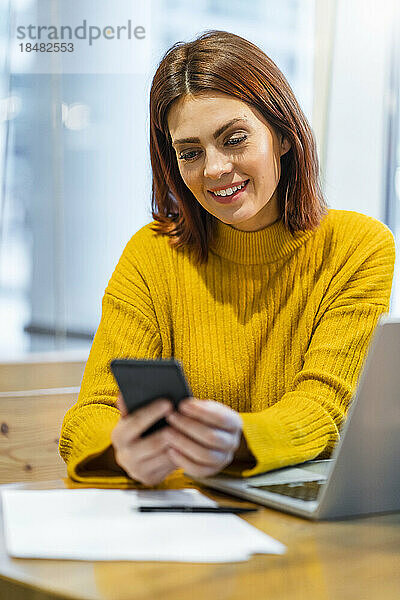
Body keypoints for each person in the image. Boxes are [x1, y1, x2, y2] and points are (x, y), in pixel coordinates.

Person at [59, 30, 395, 487]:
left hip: (292, 515)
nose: (214, 169)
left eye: (234, 139)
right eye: (190, 152)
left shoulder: (357, 246)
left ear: (281, 134)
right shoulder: (152, 253)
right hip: (179, 519)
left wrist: (241, 438)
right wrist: (120, 449)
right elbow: (90, 414)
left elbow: (325, 408)